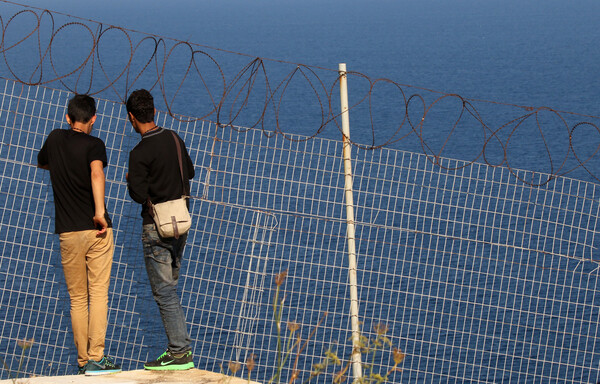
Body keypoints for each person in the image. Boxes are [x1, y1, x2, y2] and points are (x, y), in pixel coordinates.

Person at [37, 94, 121, 376]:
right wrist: (99, 212)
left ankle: (84, 361)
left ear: (67, 117)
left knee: (77, 299)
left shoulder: (54, 139)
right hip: (96, 230)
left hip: (68, 233)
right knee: (98, 294)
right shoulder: (95, 144)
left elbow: (44, 163)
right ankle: (97, 358)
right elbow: (97, 174)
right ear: (93, 119)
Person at [125, 89, 195, 371]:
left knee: (164, 292)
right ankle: (179, 349)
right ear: (154, 111)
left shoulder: (139, 152)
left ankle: (179, 351)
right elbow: (188, 172)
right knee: (171, 289)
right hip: (181, 221)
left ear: (132, 117)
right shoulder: (175, 139)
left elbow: (139, 194)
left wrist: (132, 178)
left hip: (156, 227)